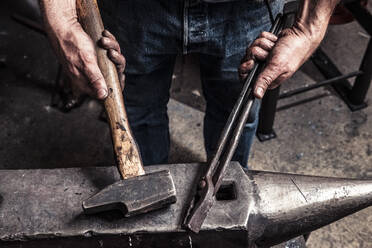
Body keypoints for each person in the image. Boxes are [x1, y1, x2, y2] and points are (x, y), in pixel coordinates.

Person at [39, 0, 340, 167]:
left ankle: (225, 194)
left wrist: (308, 28)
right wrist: (62, 18)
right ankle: (147, 192)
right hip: (130, 8)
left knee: (235, 113)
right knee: (137, 111)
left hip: (247, 9)